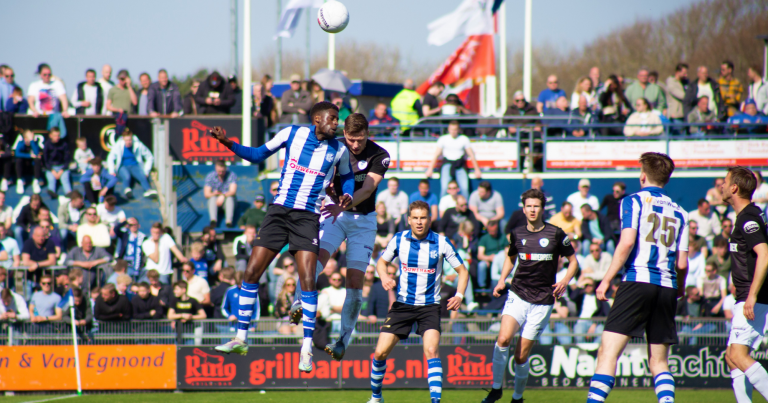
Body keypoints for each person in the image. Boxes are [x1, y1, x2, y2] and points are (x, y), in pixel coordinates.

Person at [210, 101, 354, 373]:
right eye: (332, 118)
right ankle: (241, 338)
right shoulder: (291, 134)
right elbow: (255, 155)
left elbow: (346, 178)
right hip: (278, 212)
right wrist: (227, 142)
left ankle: (307, 348)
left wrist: (346, 193)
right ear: (317, 119)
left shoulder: (339, 150)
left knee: (309, 280)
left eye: (337, 119)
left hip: (307, 218)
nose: (336, 123)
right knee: (251, 273)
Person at [285, 113, 390, 360]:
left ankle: (343, 340)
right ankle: (297, 303)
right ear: (344, 134)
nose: (355, 145)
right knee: (316, 259)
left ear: (367, 134)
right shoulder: (334, 148)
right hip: (334, 214)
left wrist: (346, 201)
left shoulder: (380, 155)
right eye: (351, 139)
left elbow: (368, 188)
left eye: (360, 139)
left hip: (362, 221)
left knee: (354, 282)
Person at [587, 152, 689, 403]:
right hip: (667, 287)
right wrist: (679, 289)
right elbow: (683, 263)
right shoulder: (681, 213)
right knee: (659, 361)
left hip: (637, 280)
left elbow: (627, 242)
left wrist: (606, 279)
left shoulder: (633, 201)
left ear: (643, 175)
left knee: (608, 353)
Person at [367, 201, 468, 403]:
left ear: (429, 219)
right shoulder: (399, 239)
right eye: (415, 218)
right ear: (409, 220)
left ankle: (435, 401)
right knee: (379, 353)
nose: (419, 222)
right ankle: (376, 397)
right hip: (403, 305)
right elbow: (381, 262)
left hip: (430, 307)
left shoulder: (441, 242)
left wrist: (459, 295)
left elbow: (462, 271)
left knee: (431, 350)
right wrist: (385, 276)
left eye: (423, 218)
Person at [482, 189, 578, 403]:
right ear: (523, 209)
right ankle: (496, 389)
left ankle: (517, 397)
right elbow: (510, 257)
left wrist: (564, 281)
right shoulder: (517, 233)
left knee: (520, 356)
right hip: (518, 293)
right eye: (529, 206)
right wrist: (501, 280)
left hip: (542, 301)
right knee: (503, 338)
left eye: (536, 206)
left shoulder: (556, 233)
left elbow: (574, 262)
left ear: (542, 208)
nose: (532, 209)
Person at [714, 166, 768, 402]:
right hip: (747, 296)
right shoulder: (746, 216)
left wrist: (752, 295)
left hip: (752, 297)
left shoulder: (748, 219)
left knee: (737, 354)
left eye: (724, 182)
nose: (721, 186)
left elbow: (764, 254)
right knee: (731, 356)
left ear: (734, 188)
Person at [424, 121, 482, 199]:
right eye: (451, 129)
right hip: (447, 164)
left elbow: (471, 155)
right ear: (448, 129)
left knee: (465, 188)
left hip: (460, 165)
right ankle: (442, 209)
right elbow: (436, 155)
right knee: (444, 188)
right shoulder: (443, 139)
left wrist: (477, 170)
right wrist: (430, 169)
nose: (453, 131)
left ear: (458, 130)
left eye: (455, 129)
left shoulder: (464, 139)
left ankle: (465, 208)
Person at [106, 129, 156, 198]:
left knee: (142, 176)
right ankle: (127, 190)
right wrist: (111, 171)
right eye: (126, 140)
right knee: (126, 176)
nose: (128, 142)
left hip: (135, 165)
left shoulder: (138, 145)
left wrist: (146, 170)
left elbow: (149, 156)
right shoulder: (118, 145)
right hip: (123, 166)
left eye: (130, 140)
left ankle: (148, 190)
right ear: (123, 139)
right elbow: (110, 157)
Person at [204, 160, 238, 227]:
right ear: (216, 168)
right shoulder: (210, 176)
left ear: (225, 168)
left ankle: (229, 221)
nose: (221, 173)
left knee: (230, 198)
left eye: (223, 171)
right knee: (212, 198)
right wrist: (215, 194)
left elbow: (232, 191)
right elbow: (207, 194)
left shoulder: (232, 175)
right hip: (215, 202)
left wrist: (223, 195)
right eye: (219, 171)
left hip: (227, 201)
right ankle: (213, 221)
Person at [477, 220, 508, 289]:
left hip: (501, 260)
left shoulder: (503, 237)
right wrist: (488, 258)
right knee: (482, 265)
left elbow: (507, 251)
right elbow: (480, 255)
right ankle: (482, 287)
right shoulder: (484, 239)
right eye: (490, 231)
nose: (492, 233)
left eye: (494, 231)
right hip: (488, 259)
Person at [42, 127, 71, 198]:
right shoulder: (47, 144)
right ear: (50, 136)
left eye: (58, 135)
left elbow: (67, 159)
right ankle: (52, 192)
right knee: (51, 179)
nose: (57, 137)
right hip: (51, 168)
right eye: (55, 136)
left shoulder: (64, 144)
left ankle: (69, 193)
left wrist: (61, 170)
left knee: (65, 179)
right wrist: (52, 171)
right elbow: (45, 160)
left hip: (62, 167)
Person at [14, 130, 43, 195]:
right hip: (23, 165)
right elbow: (17, 153)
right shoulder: (21, 143)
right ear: (25, 138)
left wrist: (32, 141)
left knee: (37, 159)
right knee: (18, 160)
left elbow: (36, 153)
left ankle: (36, 181)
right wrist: (29, 155)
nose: (32, 138)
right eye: (30, 137)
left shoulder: (34, 143)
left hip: (32, 165)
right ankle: (20, 181)